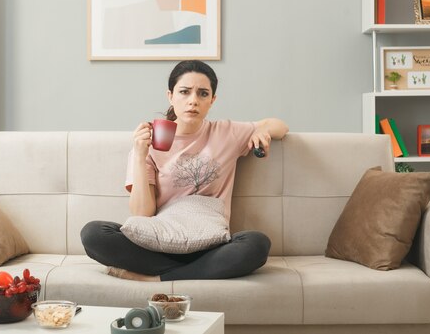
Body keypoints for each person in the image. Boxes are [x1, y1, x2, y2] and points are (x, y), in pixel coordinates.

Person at [80, 60, 288, 281]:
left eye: (202, 94)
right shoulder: (150, 142)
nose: (193, 101)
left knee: (257, 244)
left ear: (212, 100)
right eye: (185, 92)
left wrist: (262, 130)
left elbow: (280, 126)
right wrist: (140, 156)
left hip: (210, 245)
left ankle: (156, 277)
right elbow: (142, 213)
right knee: (93, 234)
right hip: (159, 242)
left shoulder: (227, 133)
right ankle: (194, 272)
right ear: (170, 95)